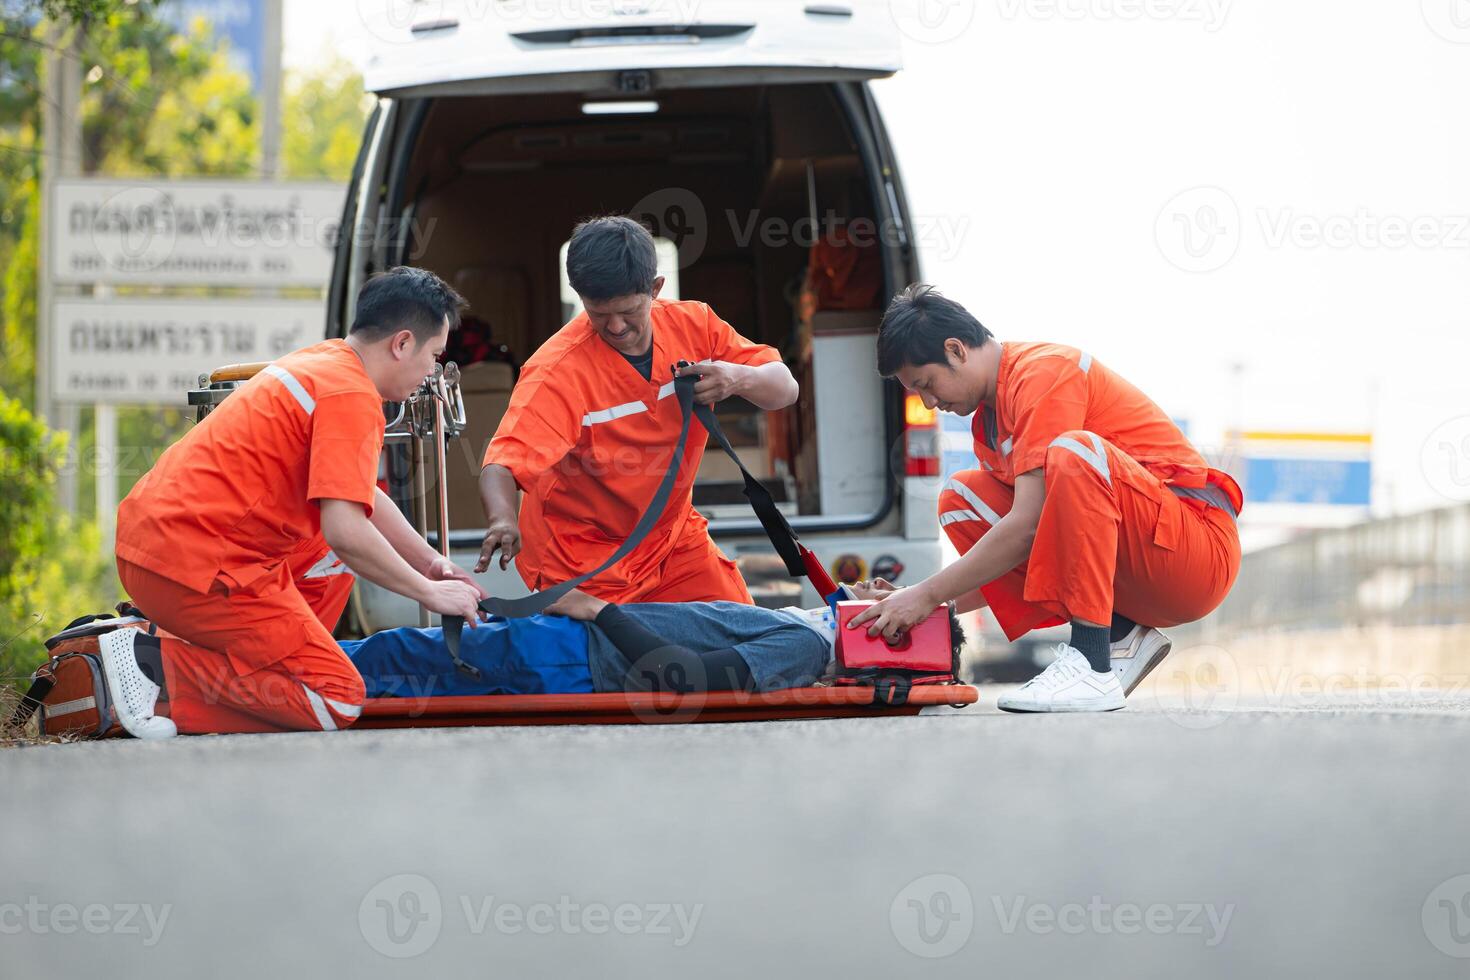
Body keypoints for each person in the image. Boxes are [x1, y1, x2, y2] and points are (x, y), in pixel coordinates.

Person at [107, 267, 489, 738]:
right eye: (434, 355)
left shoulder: (327, 362)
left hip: (158, 548)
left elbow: (361, 497)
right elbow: (345, 532)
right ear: (402, 343)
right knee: (336, 698)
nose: (432, 372)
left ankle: (279, 667)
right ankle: (154, 670)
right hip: (193, 567)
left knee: (333, 555)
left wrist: (433, 564)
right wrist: (428, 593)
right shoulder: (351, 396)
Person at [850, 285, 1243, 713]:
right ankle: (1120, 632)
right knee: (960, 497)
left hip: (1195, 555)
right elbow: (1025, 550)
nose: (928, 401)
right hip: (1139, 569)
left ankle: (1093, 664)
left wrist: (925, 595)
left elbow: (1028, 525)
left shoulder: (1043, 373)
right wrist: (916, 603)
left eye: (926, 383)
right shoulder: (990, 425)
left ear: (956, 350)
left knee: (1074, 455)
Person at [476, 215, 799, 605]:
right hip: (581, 561)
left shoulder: (695, 326)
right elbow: (502, 464)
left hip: (673, 541)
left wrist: (736, 378)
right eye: (598, 313)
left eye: (628, 310)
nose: (614, 326)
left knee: (743, 635)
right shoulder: (556, 372)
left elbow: (784, 388)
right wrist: (502, 520)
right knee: (619, 662)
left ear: (655, 288)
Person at [340, 581, 959, 698]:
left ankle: (297, 671)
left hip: (581, 655)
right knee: (414, 660)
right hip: (578, 646)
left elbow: (688, 676)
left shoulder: (805, 651)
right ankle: (295, 671)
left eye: (896, 603)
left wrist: (597, 611)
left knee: (406, 656)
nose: (885, 589)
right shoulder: (814, 629)